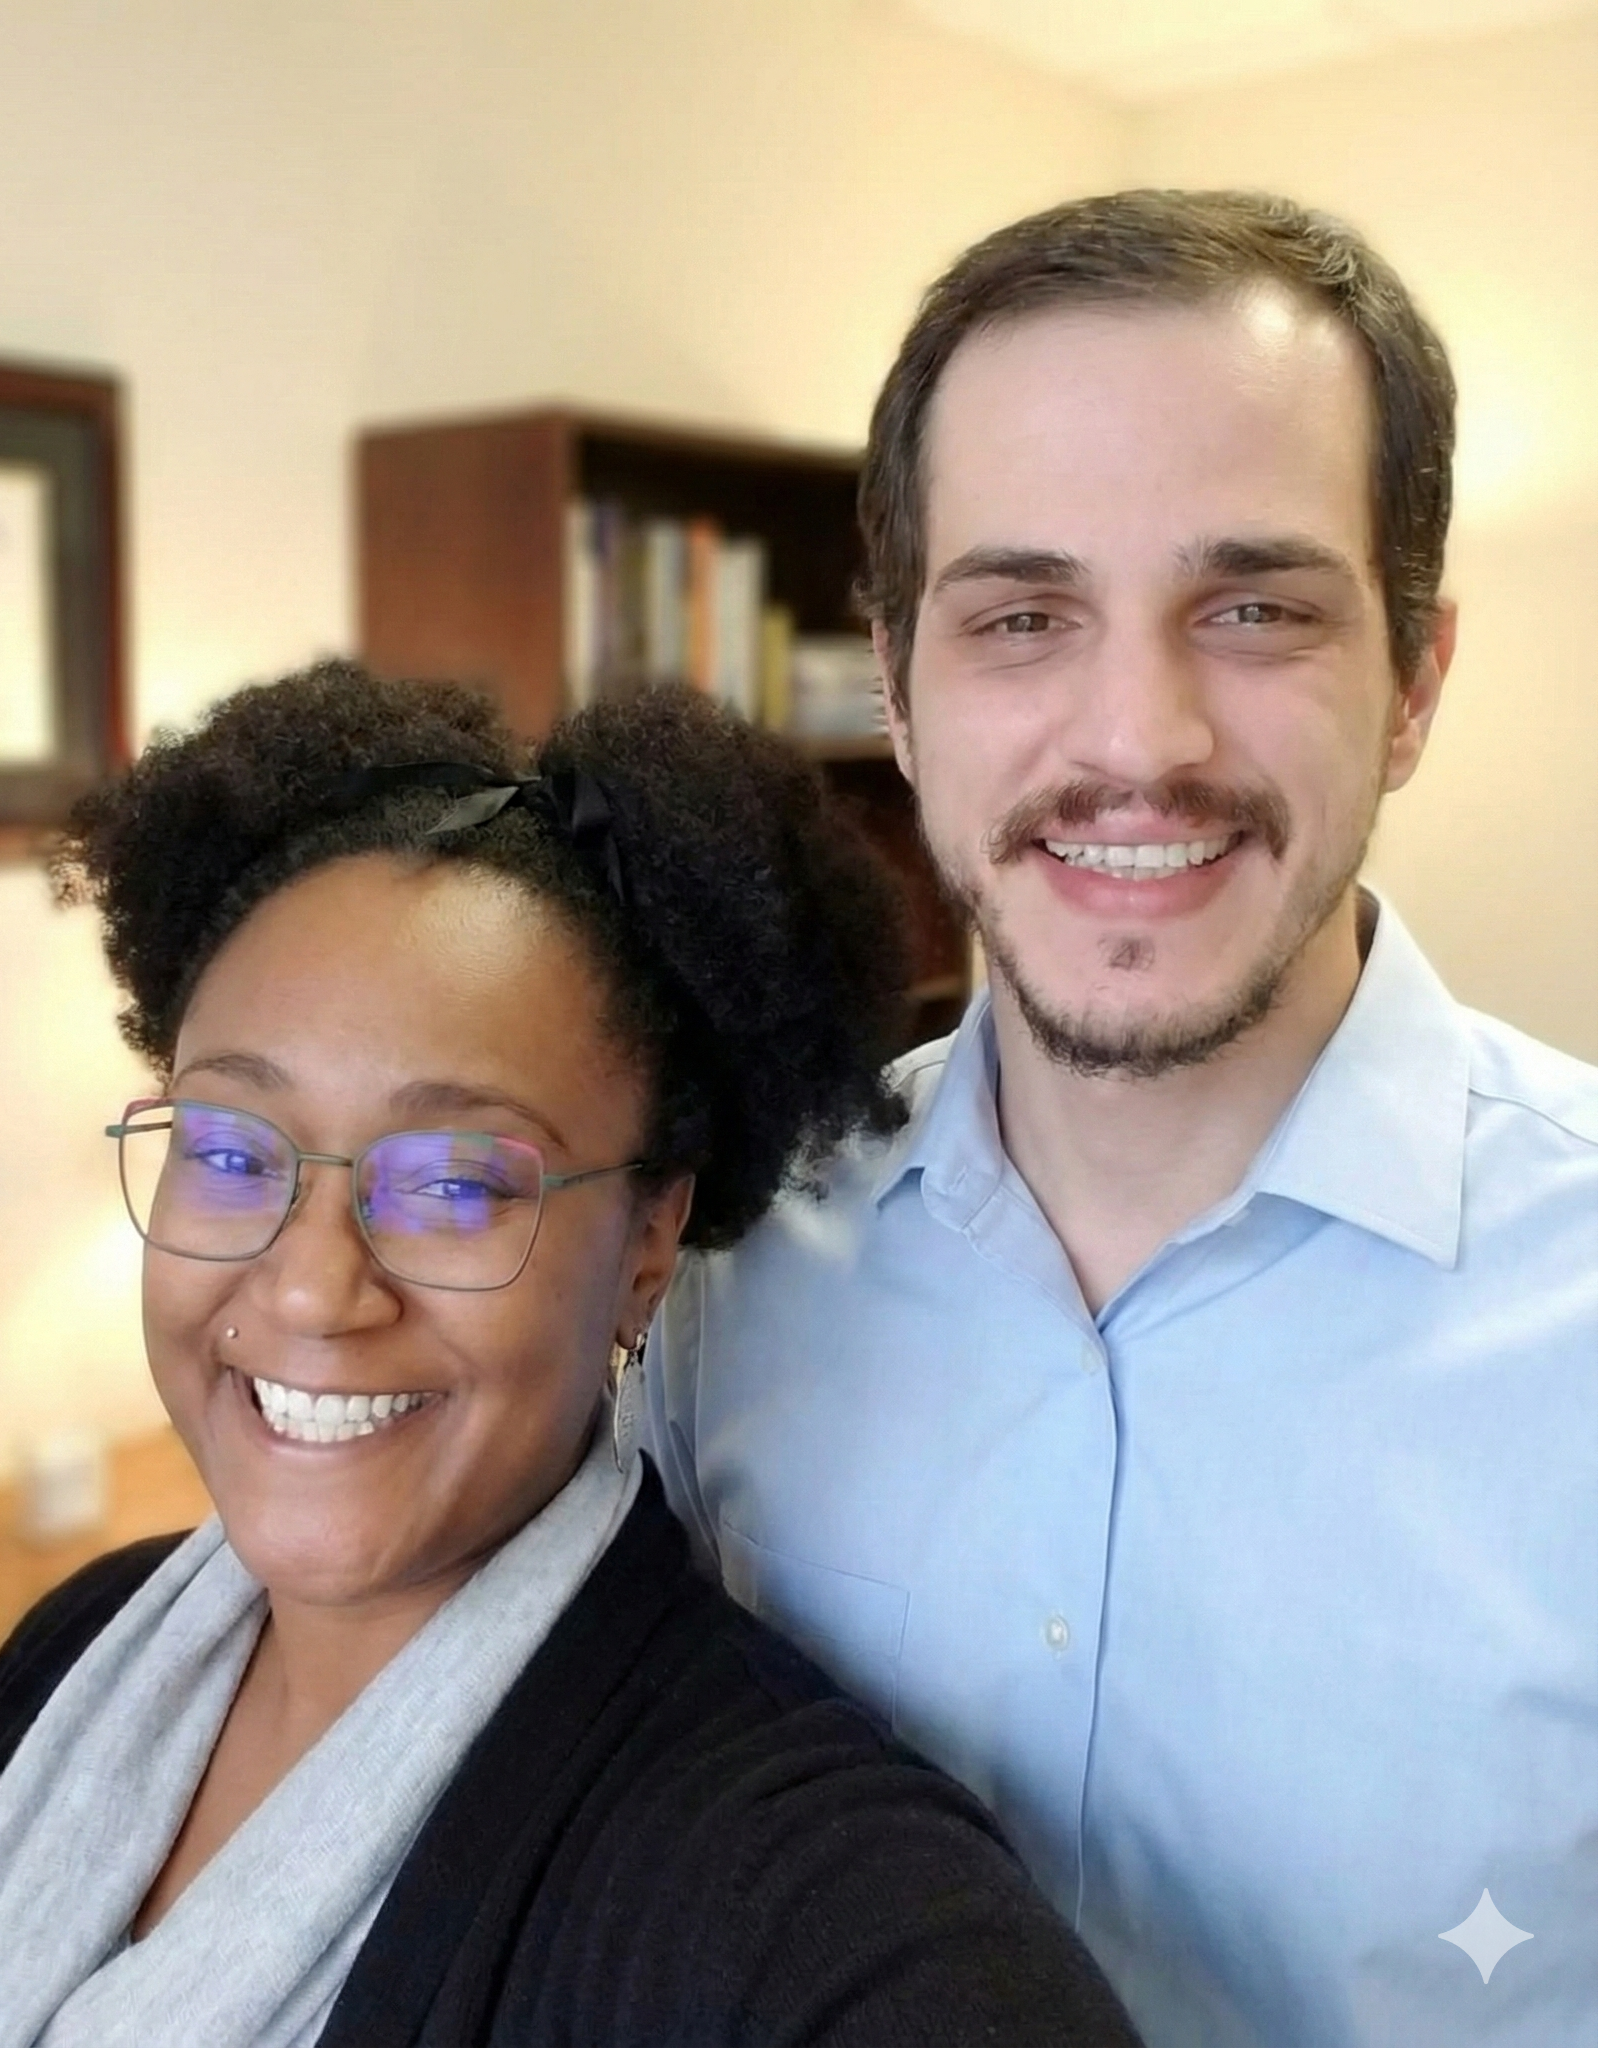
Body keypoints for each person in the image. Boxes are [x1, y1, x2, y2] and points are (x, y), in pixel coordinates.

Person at [0, 663, 1139, 2048]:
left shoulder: (814, 1918)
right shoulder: (69, 1656)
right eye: (227, 1147)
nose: (314, 1287)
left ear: (649, 1236)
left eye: (452, 1182)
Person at [646, 188, 1598, 2048]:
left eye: (1251, 607)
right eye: (1022, 616)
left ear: (1414, 681)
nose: (1137, 738)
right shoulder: (726, 1267)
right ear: (901, 691)